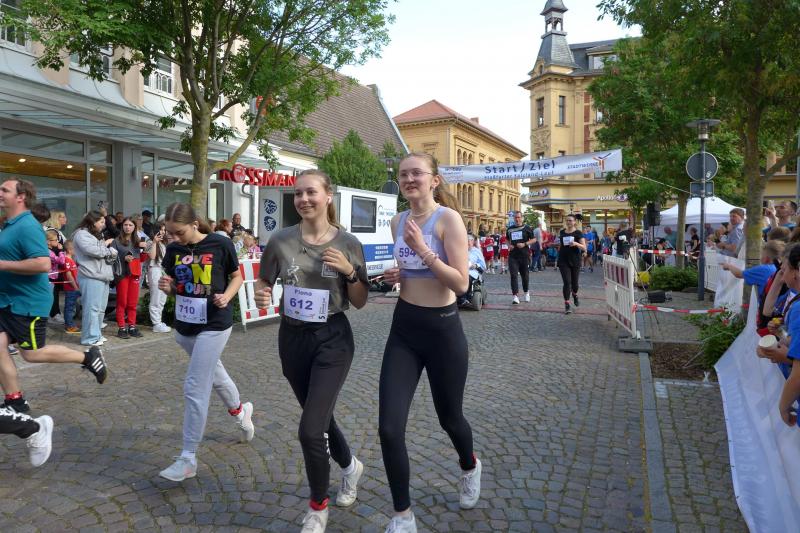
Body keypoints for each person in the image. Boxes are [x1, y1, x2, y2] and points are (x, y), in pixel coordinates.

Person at [254, 169, 369, 533]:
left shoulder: (348, 242)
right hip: (292, 338)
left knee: (309, 430)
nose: (303, 199)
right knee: (319, 420)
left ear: (327, 196)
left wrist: (349, 271)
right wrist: (261, 292)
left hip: (332, 338)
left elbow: (360, 300)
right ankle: (350, 467)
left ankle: (318, 507)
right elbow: (264, 279)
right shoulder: (281, 240)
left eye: (311, 193)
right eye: (298, 194)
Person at [379, 153, 480, 533]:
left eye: (416, 173)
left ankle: (469, 465)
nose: (409, 179)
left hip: (443, 331)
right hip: (404, 329)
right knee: (389, 427)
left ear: (434, 180)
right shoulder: (397, 221)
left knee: (450, 418)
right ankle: (402, 515)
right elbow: (411, 273)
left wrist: (422, 249)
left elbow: (461, 283)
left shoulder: (448, 219)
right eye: (403, 174)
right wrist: (396, 275)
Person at [157, 202, 255, 482]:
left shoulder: (220, 244)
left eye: (179, 232)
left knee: (195, 384)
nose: (174, 238)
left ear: (194, 225)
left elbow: (237, 277)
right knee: (216, 374)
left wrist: (227, 296)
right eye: (170, 233)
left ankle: (188, 458)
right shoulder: (174, 250)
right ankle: (241, 413)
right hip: (185, 325)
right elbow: (178, 287)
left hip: (215, 323)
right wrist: (169, 288)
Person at [0, 180, 108, 415]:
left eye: (4, 190)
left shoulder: (28, 225)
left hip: (27, 303)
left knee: (32, 354)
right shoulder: (8, 224)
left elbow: (43, 263)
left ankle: (88, 356)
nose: (0, 192)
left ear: (20, 197)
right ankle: (15, 401)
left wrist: (2, 265)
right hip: (6, 300)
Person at [73, 210, 117, 347]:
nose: (104, 225)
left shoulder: (96, 235)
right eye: (101, 222)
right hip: (90, 276)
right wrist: (109, 250)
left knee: (100, 309)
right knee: (91, 308)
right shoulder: (81, 234)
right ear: (93, 221)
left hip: (103, 276)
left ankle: (96, 334)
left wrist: (110, 252)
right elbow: (93, 251)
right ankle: (89, 337)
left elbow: (106, 254)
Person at [110, 217, 149, 339]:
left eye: (130, 225)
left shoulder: (138, 241)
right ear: (122, 226)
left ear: (134, 227)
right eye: (125, 225)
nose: (127, 227)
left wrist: (144, 249)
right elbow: (111, 259)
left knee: (132, 302)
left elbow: (142, 259)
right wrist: (123, 258)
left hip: (135, 273)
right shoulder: (116, 241)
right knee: (122, 301)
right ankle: (121, 328)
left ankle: (132, 326)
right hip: (122, 274)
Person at [558, 214, 587, 315]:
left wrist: (576, 244)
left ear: (574, 222)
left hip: (575, 261)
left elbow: (584, 247)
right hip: (563, 260)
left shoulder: (578, 233)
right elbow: (561, 245)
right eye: (567, 220)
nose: (568, 222)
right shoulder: (562, 232)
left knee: (575, 284)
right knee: (567, 282)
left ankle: (574, 294)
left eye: (570, 220)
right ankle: (567, 304)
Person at [146, 222, 171, 333]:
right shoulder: (150, 242)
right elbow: (152, 256)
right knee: (156, 297)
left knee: (162, 298)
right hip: (155, 270)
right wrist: (154, 242)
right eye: (161, 229)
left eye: (164, 230)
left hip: (163, 271)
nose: (163, 232)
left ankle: (159, 321)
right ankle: (156, 323)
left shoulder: (164, 243)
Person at [505, 211, 535, 304]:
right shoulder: (510, 229)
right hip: (513, 256)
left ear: (522, 218)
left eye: (519, 217)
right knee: (513, 275)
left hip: (524, 255)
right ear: (513, 218)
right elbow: (506, 239)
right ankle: (515, 296)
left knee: (525, 276)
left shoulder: (527, 228)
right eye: (515, 217)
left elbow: (534, 239)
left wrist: (525, 244)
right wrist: (509, 245)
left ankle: (526, 292)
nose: (517, 219)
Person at [45, 229, 66, 324]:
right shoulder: (49, 252)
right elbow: (61, 261)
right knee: (51, 297)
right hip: (49, 277)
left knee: (55, 296)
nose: (58, 242)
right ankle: (51, 315)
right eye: (55, 240)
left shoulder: (52, 250)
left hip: (54, 277)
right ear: (48, 241)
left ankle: (55, 313)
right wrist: (61, 251)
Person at [62, 240, 80, 334]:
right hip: (71, 288)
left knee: (72, 307)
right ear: (69, 250)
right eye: (75, 249)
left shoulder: (71, 259)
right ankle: (69, 326)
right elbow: (69, 275)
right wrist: (75, 287)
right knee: (69, 307)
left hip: (74, 288)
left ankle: (70, 324)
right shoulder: (67, 260)